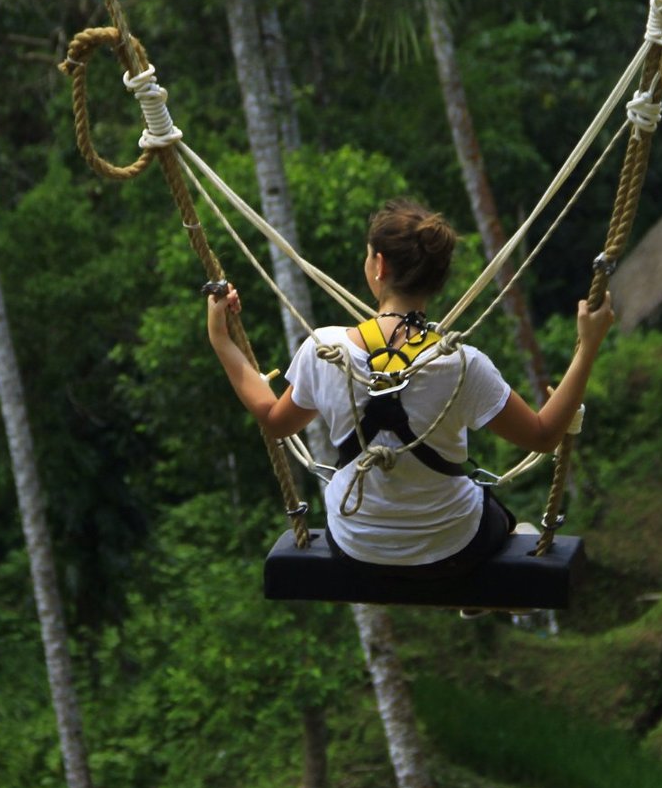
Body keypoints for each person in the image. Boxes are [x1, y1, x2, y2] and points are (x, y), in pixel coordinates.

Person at [206, 198, 614, 579]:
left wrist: (222, 340)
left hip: (356, 544)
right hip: (453, 544)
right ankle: (479, 590)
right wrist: (588, 347)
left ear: (379, 266)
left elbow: (275, 422)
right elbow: (543, 436)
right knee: (504, 522)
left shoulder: (325, 349)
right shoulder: (462, 363)